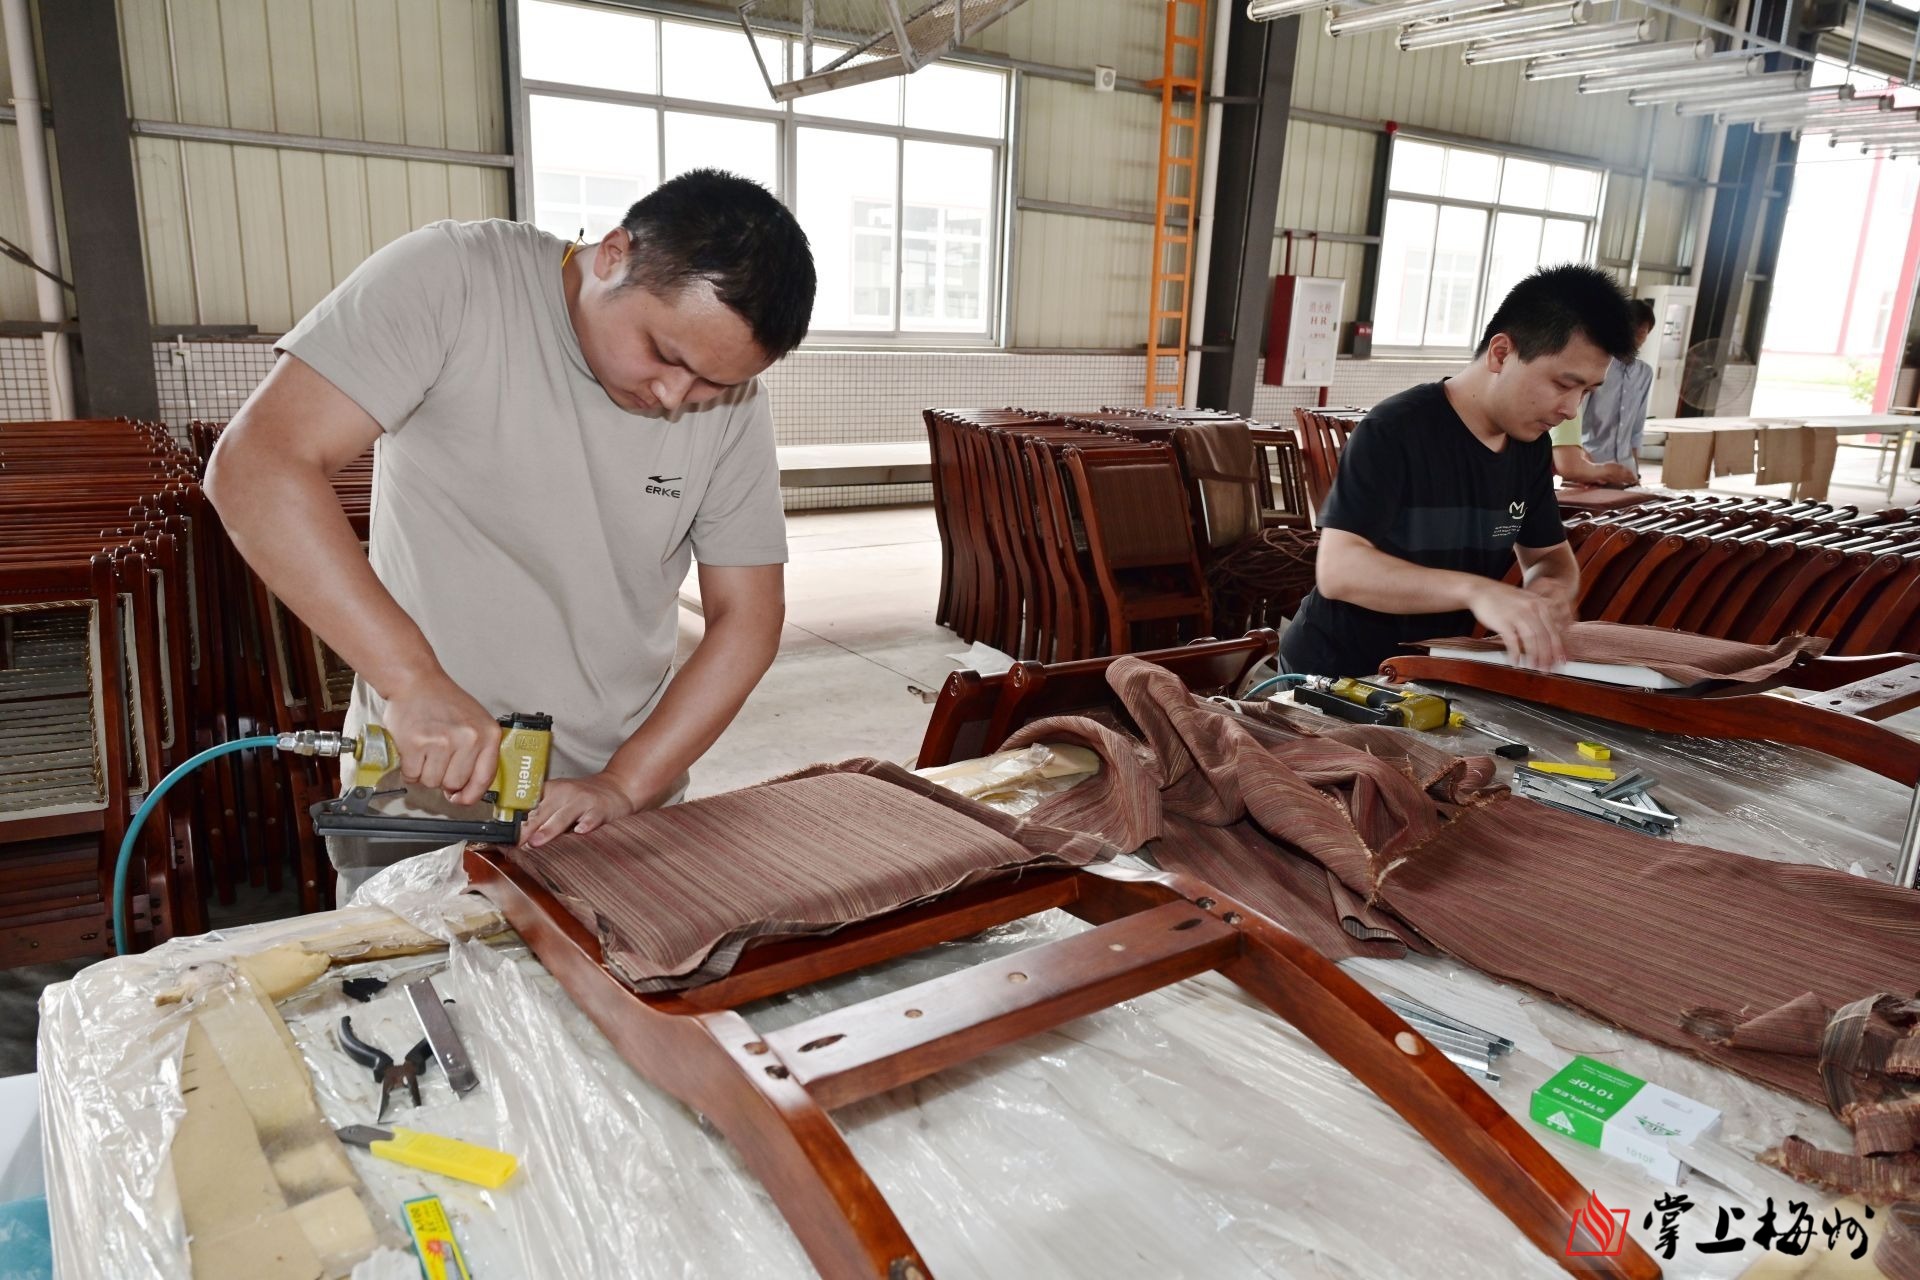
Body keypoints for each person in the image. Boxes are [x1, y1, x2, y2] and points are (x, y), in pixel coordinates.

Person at [204, 169, 816, 899]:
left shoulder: (734, 406)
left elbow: (747, 619)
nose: (675, 397)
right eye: (666, 354)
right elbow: (257, 467)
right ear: (614, 255)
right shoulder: (456, 280)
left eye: (713, 384)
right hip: (426, 793)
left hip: (610, 810)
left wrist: (624, 784)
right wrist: (411, 680)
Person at [1277, 264, 1638, 679]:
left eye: (1587, 392)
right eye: (1562, 384)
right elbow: (1339, 570)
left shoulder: (1529, 446)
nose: (1572, 409)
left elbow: (1549, 556)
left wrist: (1549, 590)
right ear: (1501, 353)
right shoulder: (1396, 430)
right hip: (1337, 670)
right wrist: (1476, 591)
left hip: (1430, 670)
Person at [1551, 297, 1657, 485]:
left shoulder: (1644, 373)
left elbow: (1636, 428)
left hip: (1623, 467)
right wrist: (1585, 462)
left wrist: (1635, 470)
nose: (1636, 337)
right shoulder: (1595, 369)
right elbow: (1570, 463)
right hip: (1589, 462)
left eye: (1643, 332)